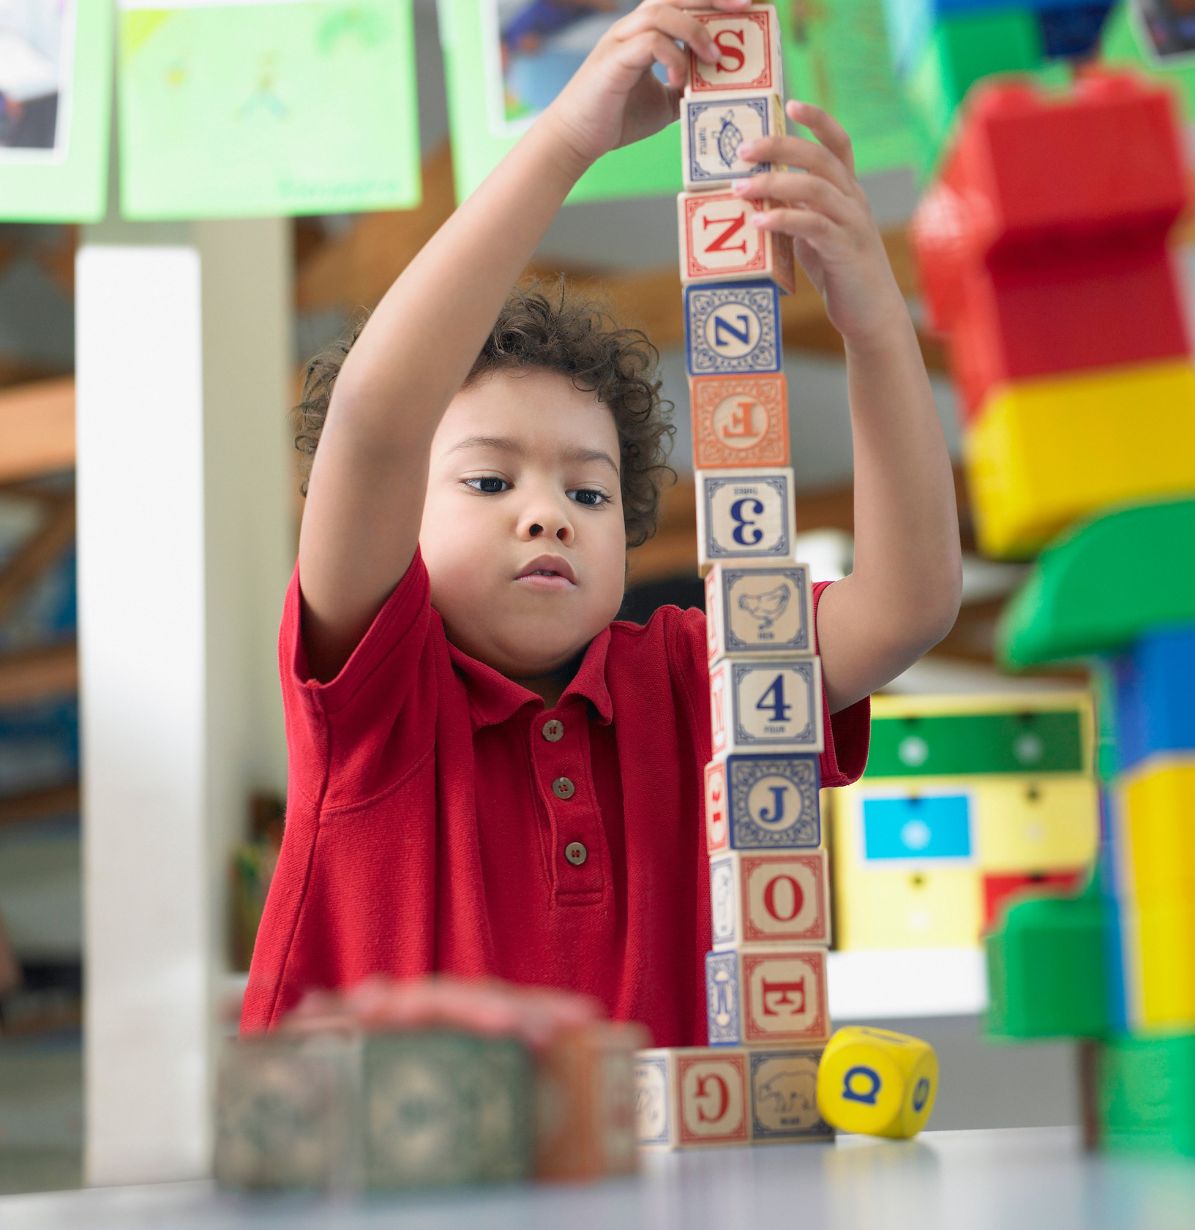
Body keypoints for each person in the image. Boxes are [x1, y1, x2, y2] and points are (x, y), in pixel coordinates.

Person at [241, 0, 963, 1048]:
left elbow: (905, 606)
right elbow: (372, 418)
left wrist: (872, 322)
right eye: (489, 484)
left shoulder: (685, 679)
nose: (547, 514)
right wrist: (565, 139)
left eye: (587, 494)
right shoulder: (373, 696)